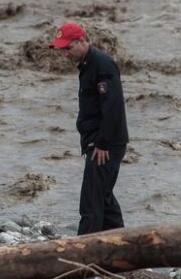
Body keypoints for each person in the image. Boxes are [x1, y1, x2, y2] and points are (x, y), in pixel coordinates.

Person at [49, 23, 129, 235]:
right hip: (97, 142)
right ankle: (121, 246)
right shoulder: (87, 64)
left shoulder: (102, 65)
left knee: (91, 203)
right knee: (104, 198)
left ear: (82, 41)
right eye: (62, 49)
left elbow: (112, 108)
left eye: (68, 48)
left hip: (104, 145)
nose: (65, 54)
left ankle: (82, 256)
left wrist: (102, 143)